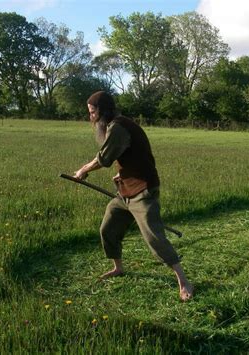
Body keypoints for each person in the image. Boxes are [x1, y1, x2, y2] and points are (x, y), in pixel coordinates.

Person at [74, 91, 193, 301]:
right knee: (108, 228)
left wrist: (83, 170)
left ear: (102, 111)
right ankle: (118, 267)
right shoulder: (117, 126)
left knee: (153, 236)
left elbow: (104, 158)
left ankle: (183, 280)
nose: (90, 117)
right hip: (125, 191)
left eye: (92, 112)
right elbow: (131, 155)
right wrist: (122, 174)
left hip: (143, 191)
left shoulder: (119, 127)